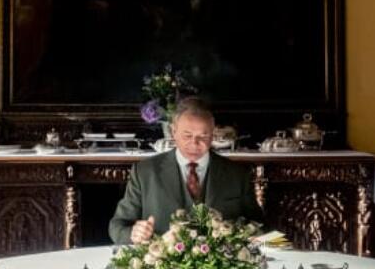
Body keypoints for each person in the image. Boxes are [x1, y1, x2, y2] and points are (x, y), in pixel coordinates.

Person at [110, 96, 261, 244]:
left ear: (213, 134)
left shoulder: (237, 174)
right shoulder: (145, 172)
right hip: (162, 265)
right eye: (187, 135)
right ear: (173, 131)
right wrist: (133, 233)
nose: (195, 143)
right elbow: (117, 226)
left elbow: (259, 224)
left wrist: (247, 235)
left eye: (203, 136)